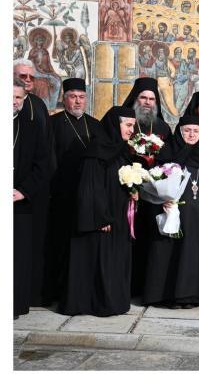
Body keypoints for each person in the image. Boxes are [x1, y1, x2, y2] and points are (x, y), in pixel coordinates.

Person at [143, 115, 199, 307]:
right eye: (187, 131)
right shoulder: (168, 153)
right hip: (172, 215)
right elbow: (155, 183)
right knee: (171, 254)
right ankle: (168, 296)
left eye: (195, 131)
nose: (191, 135)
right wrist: (160, 201)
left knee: (195, 256)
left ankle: (194, 296)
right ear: (180, 132)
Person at [58, 106, 138, 316]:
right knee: (97, 260)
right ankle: (96, 303)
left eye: (133, 125)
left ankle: (112, 301)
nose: (132, 130)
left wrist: (133, 190)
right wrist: (100, 217)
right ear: (114, 124)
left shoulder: (120, 149)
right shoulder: (97, 150)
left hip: (117, 216)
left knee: (112, 261)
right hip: (101, 219)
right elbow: (90, 187)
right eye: (128, 125)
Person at [47, 78, 104, 303]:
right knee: (60, 243)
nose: (78, 101)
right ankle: (57, 290)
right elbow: (49, 159)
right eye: (72, 96)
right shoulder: (53, 123)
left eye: (81, 97)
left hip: (88, 195)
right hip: (62, 192)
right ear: (64, 98)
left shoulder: (95, 124)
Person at [121, 77, 173, 297]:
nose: (147, 102)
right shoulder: (125, 122)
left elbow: (171, 162)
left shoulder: (162, 127)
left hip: (153, 196)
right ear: (135, 99)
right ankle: (125, 286)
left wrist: (155, 167)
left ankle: (146, 287)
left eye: (152, 99)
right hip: (127, 192)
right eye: (143, 97)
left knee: (150, 240)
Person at [14, 58, 53, 307]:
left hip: (27, 193)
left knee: (23, 251)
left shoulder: (37, 108)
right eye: (23, 77)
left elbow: (44, 155)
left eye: (31, 78)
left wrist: (25, 190)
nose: (28, 82)